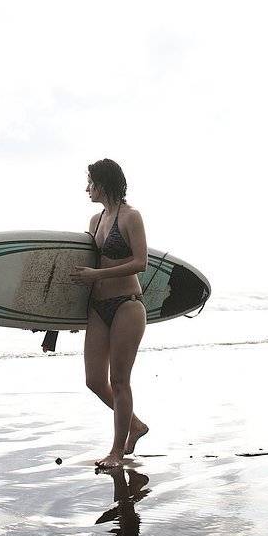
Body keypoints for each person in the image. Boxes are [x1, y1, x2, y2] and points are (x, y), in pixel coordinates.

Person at [71, 159, 148, 469]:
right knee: (93, 380)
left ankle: (116, 451)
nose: (86, 188)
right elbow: (91, 267)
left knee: (118, 380)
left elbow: (141, 262)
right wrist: (66, 316)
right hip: (97, 307)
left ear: (103, 183)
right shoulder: (95, 220)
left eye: (90, 182)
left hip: (127, 304)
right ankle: (136, 425)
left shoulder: (132, 217)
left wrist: (94, 276)